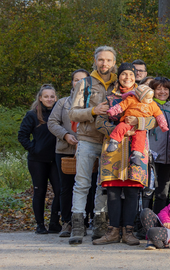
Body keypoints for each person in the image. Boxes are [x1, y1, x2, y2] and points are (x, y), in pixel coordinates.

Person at [93, 63, 158, 246]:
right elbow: (99, 122)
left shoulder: (144, 95)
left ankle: (128, 231)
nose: (127, 77)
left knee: (132, 190)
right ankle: (113, 230)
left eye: (131, 74)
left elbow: (154, 120)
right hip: (114, 149)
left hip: (136, 149)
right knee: (113, 191)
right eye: (124, 74)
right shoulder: (109, 97)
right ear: (118, 76)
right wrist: (119, 130)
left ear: (135, 76)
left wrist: (138, 122)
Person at [68, 46, 119, 244]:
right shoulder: (85, 83)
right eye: (101, 60)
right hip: (88, 140)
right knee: (82, 184)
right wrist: (94, 110)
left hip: (110, 141)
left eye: (108, 60)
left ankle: (100, 225)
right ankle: (78, 226)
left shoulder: (119, 83)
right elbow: (73, 113)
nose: (104, 63)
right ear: (95, 61)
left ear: (114, 62)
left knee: (103, 186)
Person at [48, 69, 89, 237]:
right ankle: (66, 222)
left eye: (83, 80)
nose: (79, 83)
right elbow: (52, 122)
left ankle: (84, 222)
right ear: (71, 82)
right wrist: (65, 135)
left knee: (88, 186)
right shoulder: (63, 103)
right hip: (64, 150)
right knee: (66, 187)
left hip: (88, 149)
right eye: (75, 80)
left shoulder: (93, 103)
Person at [18, 84, 60, 234]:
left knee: (60, 191)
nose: (49, 99)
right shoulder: (32, 115)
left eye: (52, 96)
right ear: (40, 98)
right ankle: (40, 224)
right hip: (37, 161)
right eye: (46, 96)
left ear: (56, 98)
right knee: (39, 191)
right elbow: (22, 136)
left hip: (55, 159)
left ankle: (54, 222)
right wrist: (33, 148)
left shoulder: (60, 113)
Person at [104, 84, 169, 158]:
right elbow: (120, 106)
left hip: (140, 127)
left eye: (151, 97)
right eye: (148, 98)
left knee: (140, 137)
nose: (151, 100)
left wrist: (163, 125)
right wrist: (112, 111)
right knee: (120, 127)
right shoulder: (131, 100)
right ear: (140, 97)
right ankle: (114, 141)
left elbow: (159, 116)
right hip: (127, 122)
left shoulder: (152, 104)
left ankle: (137, 154)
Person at [145, 77, 170, 213]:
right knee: (147, 191)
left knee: (163, 193)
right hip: (151, 156)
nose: (162, 92)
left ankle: (159, 223)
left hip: (169, 157)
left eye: (165, 89)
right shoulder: (148, 106)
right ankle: (143, 224)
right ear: (153, 91)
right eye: (159, 88)